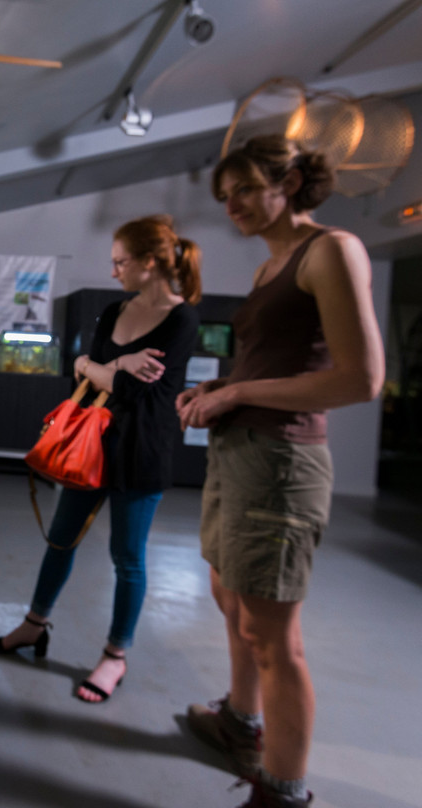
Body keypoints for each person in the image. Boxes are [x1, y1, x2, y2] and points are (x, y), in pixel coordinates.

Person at [176, 135, 384, 808]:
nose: (231, 204)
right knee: (232, 602)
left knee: (273, 635)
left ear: (288, 181)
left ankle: (283, 789)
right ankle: (241, 721)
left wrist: (234, 394)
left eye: (243, 188)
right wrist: (213, 394)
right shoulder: (272, 267)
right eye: (224, 195)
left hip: (281, 462)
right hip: (239, 454)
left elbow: (360, 379)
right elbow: (270, 364)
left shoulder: (333, 250)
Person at [0, 215, 201, 704]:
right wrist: (114, 365)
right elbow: (81, 368)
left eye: (121, 262)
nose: (114, 271)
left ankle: (115, 656)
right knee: (59, 541)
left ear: (150, 263)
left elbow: (147, 393)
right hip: (90, 446)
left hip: (142, 455)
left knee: (127, 558)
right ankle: (33, 626)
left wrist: (104, 368)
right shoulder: (112, 310)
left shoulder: (183, 318)